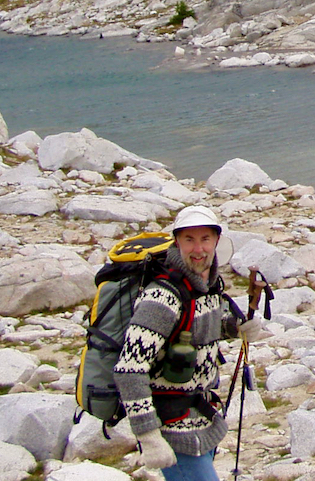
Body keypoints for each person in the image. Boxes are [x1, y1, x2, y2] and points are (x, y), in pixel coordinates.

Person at [114, 205, 267, 480]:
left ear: (216, 241)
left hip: (202, 418)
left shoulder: (207, 286)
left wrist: (235, 328)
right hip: (172, 428)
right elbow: (129, 368)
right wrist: (148, 436)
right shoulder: (162, 297)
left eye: (205, 239)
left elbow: (198, 327)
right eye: (189, 240)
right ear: (177, 242)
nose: (199, 249)